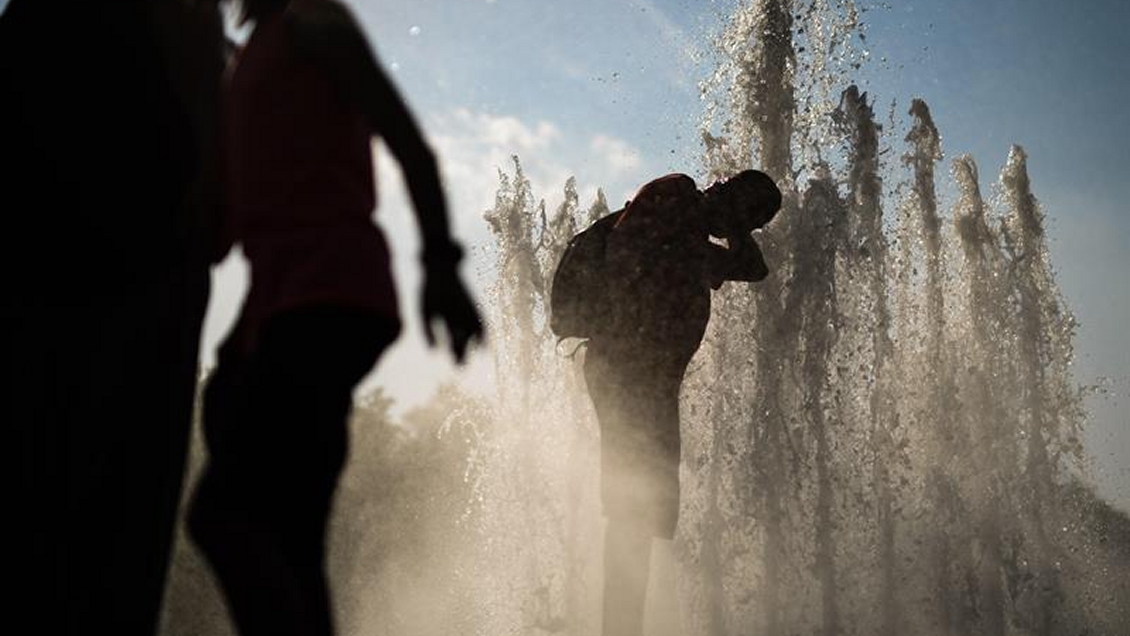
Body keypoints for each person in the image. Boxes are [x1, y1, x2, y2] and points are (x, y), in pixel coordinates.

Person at [185, 1, 483, 635]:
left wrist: (440, 263)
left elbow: (404, 137)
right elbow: (219, 228)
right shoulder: (247, 56)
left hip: (329, 294)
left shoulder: (309, 19)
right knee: (291, 539)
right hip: (280, 306)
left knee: (222, 517)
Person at [1, 1, 226, 633]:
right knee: (108, 521)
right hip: (117, 242)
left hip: (124, 239)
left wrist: (209, 174)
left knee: (86, 518)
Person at [582, 171, 780, 636]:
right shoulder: (675, 195)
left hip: (652, 383)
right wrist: (721, 224)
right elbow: (625, 252)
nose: (744, 228)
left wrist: (734, 229)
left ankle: (624, 626)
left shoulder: (694, 237)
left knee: (647, 509)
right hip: (626, 371)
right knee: (632, 504)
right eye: (749, 214)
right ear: (728, 193)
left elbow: (755, 268)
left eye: (755, 222)